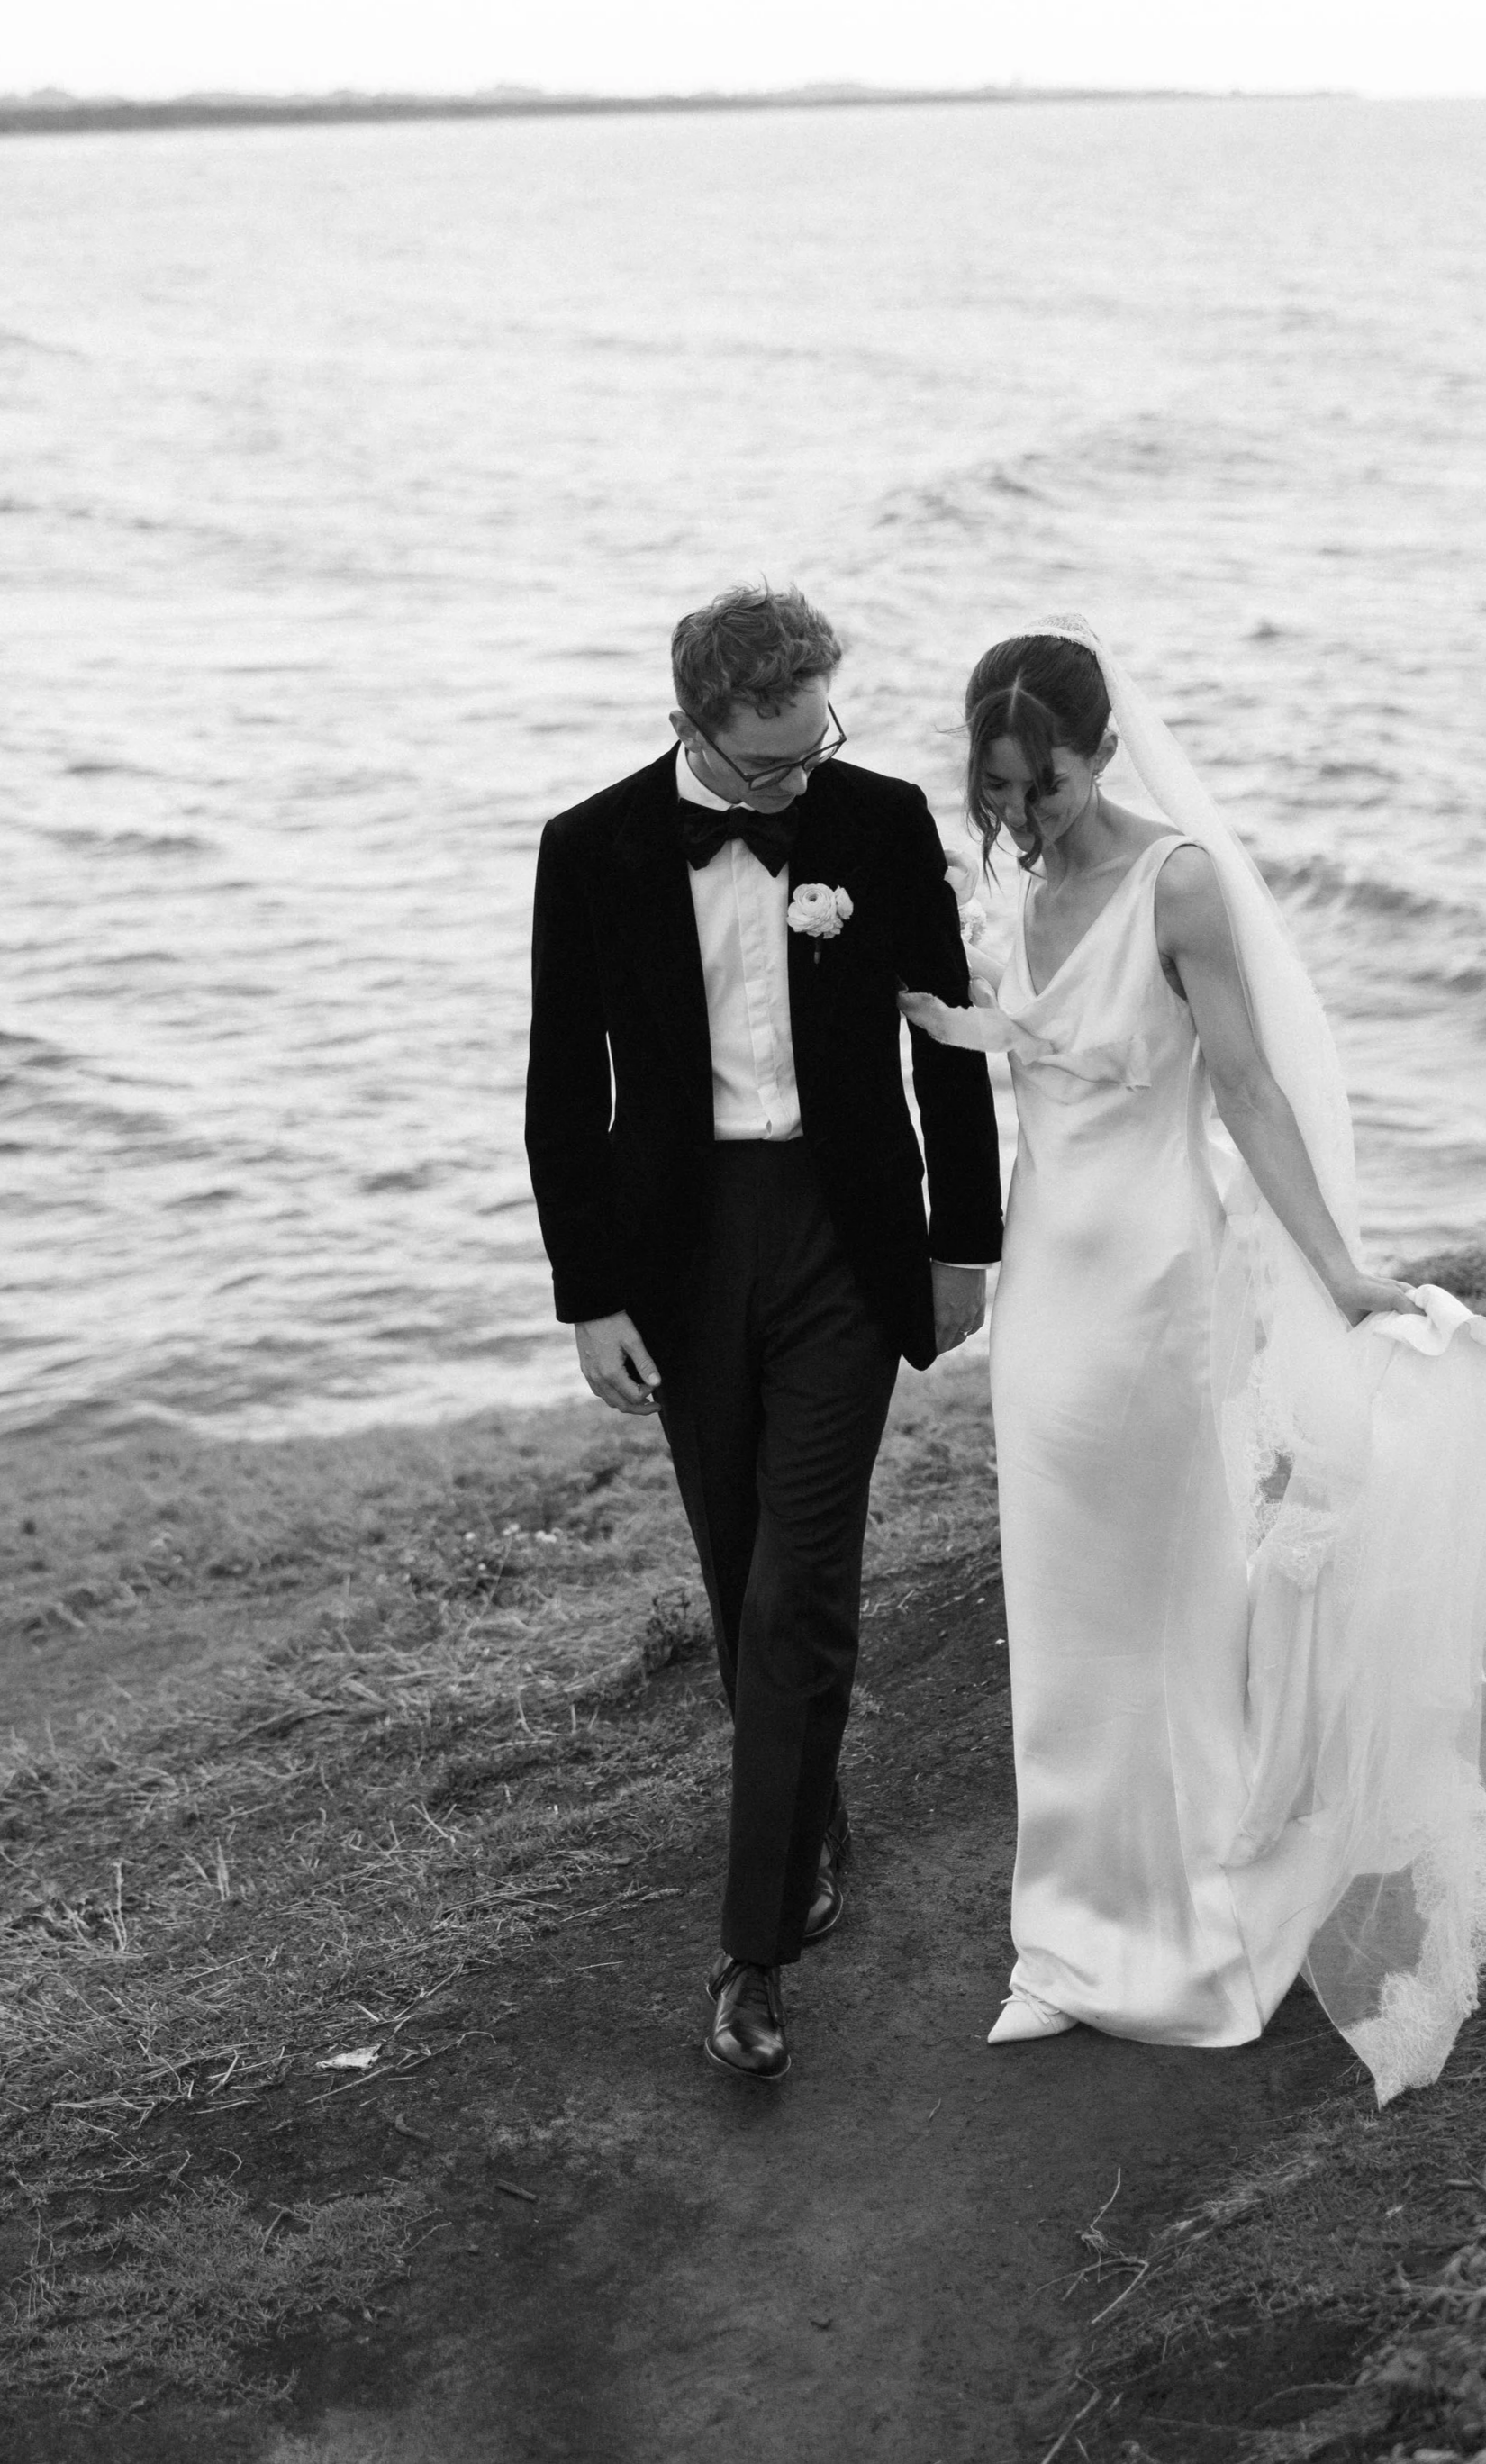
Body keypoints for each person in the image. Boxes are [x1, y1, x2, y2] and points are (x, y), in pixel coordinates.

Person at [902, 624, 1486, 2103]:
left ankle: (1196, 1930)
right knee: (1062, 1614)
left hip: (1156, 1290)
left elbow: (1248, 1088)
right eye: (998, 788)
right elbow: (1016, 1050)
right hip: (1046, 1291)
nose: (1022, 813)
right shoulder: (1012, 882)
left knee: (1166, 1605)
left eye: (1045, 784)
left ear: (1100, 750)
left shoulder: (1177, 881)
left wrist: (1337, 1271)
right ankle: (1068, 1941)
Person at [525, 585, 1002, 2082]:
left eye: (817, 747)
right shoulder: (590, 848)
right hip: (679, 1256)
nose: (803, 779)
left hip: (843, 1243)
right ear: (694, 724)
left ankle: (754, 1952)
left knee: (801, 1576)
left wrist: (963, 1244)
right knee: (740, 1575)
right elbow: (562, 1090)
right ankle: (808, 1808)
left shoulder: (880, 821)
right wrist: (590, 1296)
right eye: (772, 762)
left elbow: (947, 1045)